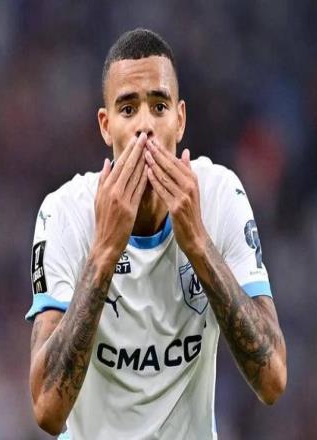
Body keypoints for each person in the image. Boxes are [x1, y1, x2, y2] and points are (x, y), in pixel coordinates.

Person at [26, 28, 287, 440]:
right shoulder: (65, 213)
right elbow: (47, 410)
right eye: (128, 109)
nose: (144, 126)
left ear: (180, 120)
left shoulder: (219, 196)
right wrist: (104, 253)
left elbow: (273, 379)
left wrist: (198, 243)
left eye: (159, 106)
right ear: (106, 125)